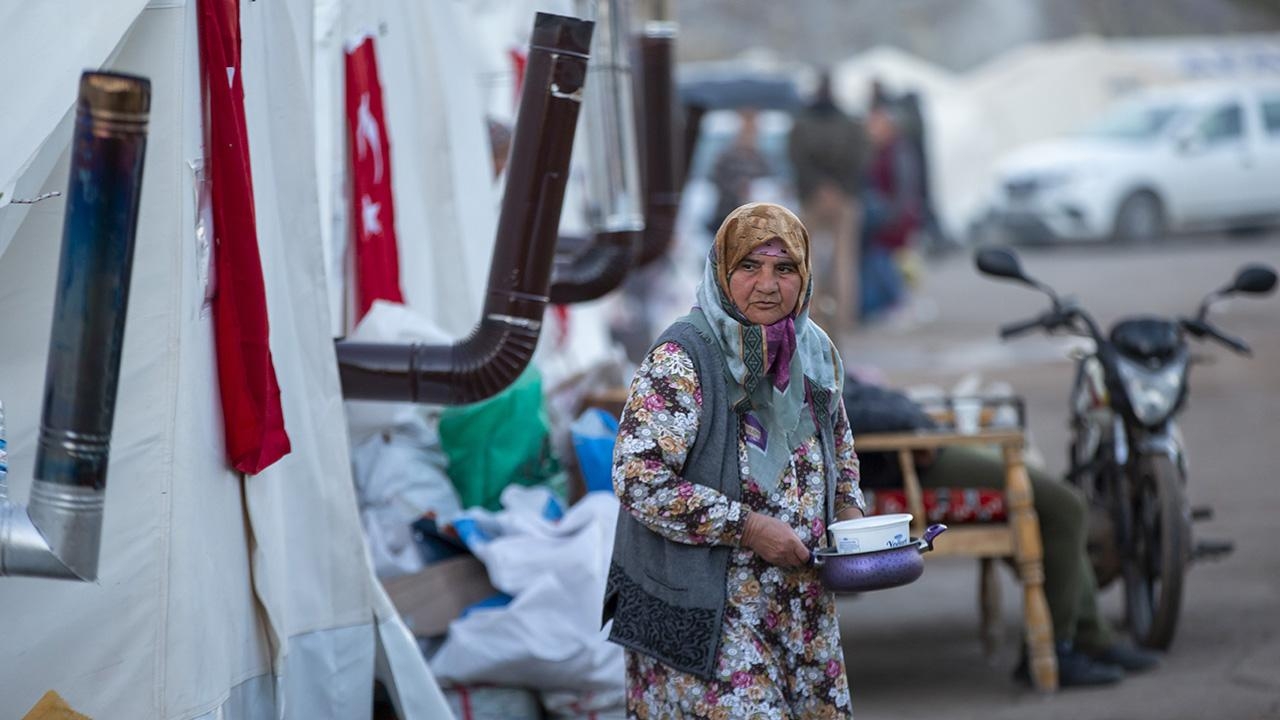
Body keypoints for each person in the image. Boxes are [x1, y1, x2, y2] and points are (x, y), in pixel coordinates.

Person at [603, 202, 865, 718]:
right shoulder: (683, 357)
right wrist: (749, 528)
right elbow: (639, 479)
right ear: (723, 272)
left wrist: (850, 515)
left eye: (784, 268)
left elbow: (839, 448)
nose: (767, 284)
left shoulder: (811, 351)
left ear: (804, 276)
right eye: (749, 266)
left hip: (799, 610)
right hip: (706, 612)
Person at [841, 376, 1160, 687]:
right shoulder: (797, 346)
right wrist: (916, 421)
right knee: (1065, 506)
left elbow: (857, 393)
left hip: (916, 449)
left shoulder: (801, 338)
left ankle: (1088, 637)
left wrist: (914, 418)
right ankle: (1059, 649)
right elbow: (844, 408)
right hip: (907, 460)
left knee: (1055, 502)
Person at [787, 70, 866, 339]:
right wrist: (839, 188)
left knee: (807, 259)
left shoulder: (801, 123)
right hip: (844, 198)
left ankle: (813, 314)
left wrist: (818, 188)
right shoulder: (849, 124)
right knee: (844, 260)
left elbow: (797, 160)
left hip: (811, 198)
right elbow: (859, 159)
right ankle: (844, 316)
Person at [706, 109, 773, 237]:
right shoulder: (725, 156)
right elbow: (715, 179)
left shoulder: (762, 158)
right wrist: (738, 188)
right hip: (728, 215)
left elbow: (769, 181)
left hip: (756, 218)